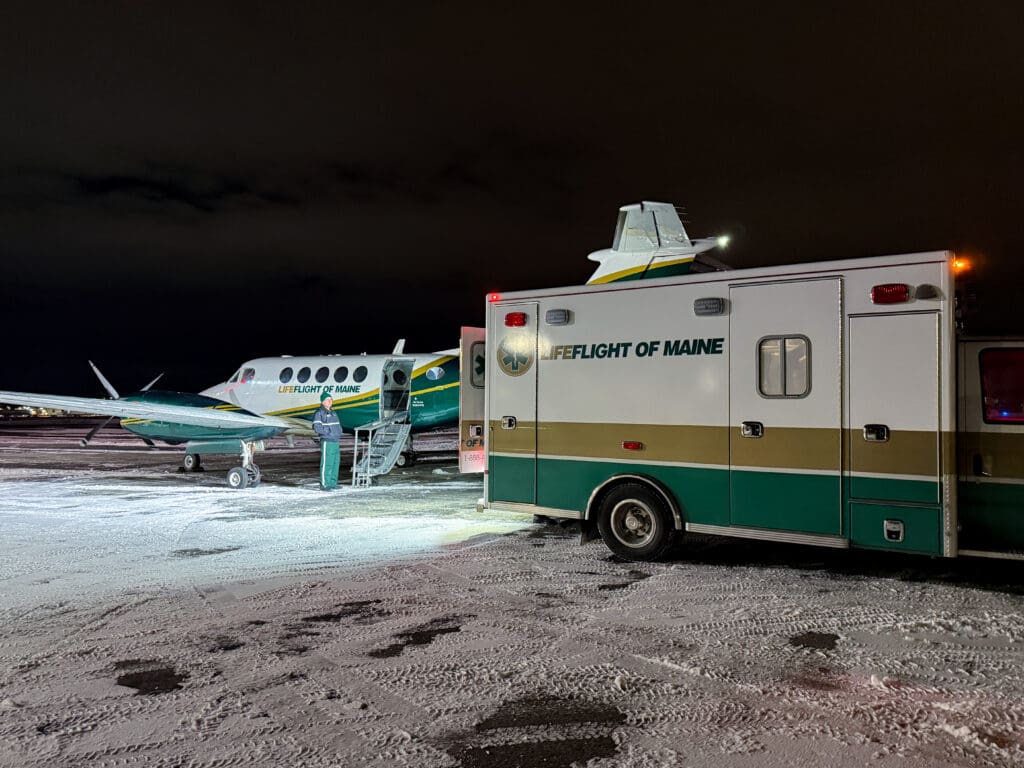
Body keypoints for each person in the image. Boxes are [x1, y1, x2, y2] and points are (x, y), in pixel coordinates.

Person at [312, 391, 342, 490]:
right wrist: (329, 433)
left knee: (335, 462)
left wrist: (338, 432)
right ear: (323, 402)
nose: (330, 401)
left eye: (331, 400)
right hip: (327, 441)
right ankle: (324, 484)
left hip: (336, 440)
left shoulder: (334, 413)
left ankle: (332, 483)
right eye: (327, 400)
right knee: (327, 463)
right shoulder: (319, 413)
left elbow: (338, 426)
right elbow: (317, 427)